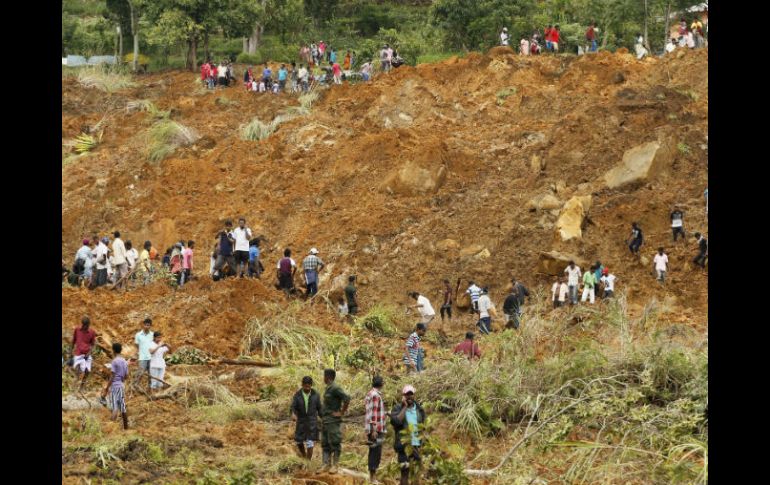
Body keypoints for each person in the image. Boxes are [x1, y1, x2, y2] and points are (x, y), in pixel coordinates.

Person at [390, 385, 425, 485]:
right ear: (403, 396)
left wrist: (422, 441)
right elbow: (395, 422)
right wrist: (404, 407)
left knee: (416, 473)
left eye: (411, 394)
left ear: (414, 395)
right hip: (403, 446)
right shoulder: (397, 408)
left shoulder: (419, 410)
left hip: (416, 446)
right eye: (407, 394)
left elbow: (422, 426)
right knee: (405, 472)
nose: (409, 396)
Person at [321, 368, 350, 473]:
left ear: (327, 377)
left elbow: (347, 398)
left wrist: (341, 412)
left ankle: (335, 465)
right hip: (325, 420)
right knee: (325, 443)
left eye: (324, 376)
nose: (323, 378)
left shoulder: (335, 388)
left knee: (335, 442)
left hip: (333, 420)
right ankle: (325, 464)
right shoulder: (328, 388)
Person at [291, 376, 322, 461]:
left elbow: (319, 408)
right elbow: (293, 407)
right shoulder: (297, 395)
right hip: (301, 421)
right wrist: (293, 414)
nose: (307, 387)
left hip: (312, 422)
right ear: (302, 385)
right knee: (299, 441)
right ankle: (304, 455)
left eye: (309, 385)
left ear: (311, 385)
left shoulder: (316, 395)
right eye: (305, 385)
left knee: (310, 442)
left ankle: (308, 461)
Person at [101, 342, 129, 430]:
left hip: (114, 386)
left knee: (115, 407)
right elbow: (126, 376)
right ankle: (126, 429)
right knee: (123, 408)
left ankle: (110, 429)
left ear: (113, 350)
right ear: (120, 350)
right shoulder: (124, 361)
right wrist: (121, 379)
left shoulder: (114, 361)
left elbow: (112, 376)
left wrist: (107, 387)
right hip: (121, 386)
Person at [365, 376, 387, 483]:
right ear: (381, 384)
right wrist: (374, 429)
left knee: (373, 450)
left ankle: (372, 476)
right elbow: (373, 413)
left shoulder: (370, 394)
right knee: (376, 451)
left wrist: (385, 413)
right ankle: (373, 478)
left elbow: (373, 411)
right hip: (376, 429)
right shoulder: (375, 395)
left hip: (373, 428)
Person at [71, 316, 96, 390]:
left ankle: (82, 386)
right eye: (84, 325)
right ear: (82, 324)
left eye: (87, 325)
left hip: (87, 354)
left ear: (89, 324)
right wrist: (70, 352)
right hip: (78, 354)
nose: (85, 327)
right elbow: (73, 341)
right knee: (77, 371)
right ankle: (74, 387)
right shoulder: (77, 330)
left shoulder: (92, 332)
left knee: (87, 371)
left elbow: (93, 345)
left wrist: (89, 353)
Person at [134, 318, 154, 391]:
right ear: (143, 325)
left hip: (151, 357)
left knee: (151, 374)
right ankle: (135, 386)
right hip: (142, 357)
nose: (147, 326)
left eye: (148, 325)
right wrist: (138, 353)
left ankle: (150, 388)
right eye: (145, 325)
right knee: (140, 372)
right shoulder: (138, 335)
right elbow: (136, 345)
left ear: (150, 326)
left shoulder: (152, 335)